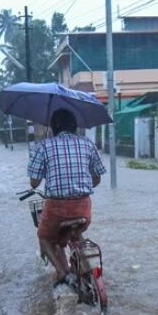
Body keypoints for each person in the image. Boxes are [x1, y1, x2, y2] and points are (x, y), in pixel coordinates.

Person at [27, 109, 106, 287]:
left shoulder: (44, 146)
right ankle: (85, 267)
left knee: (44, 237)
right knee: (78, 233)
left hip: (56, 209)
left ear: (53, 127)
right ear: (74, 126)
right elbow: (97, 178)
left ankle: (62, 272)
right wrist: (78, 187)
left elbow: (33, 183)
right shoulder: (87, 143)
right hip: (83, 208)